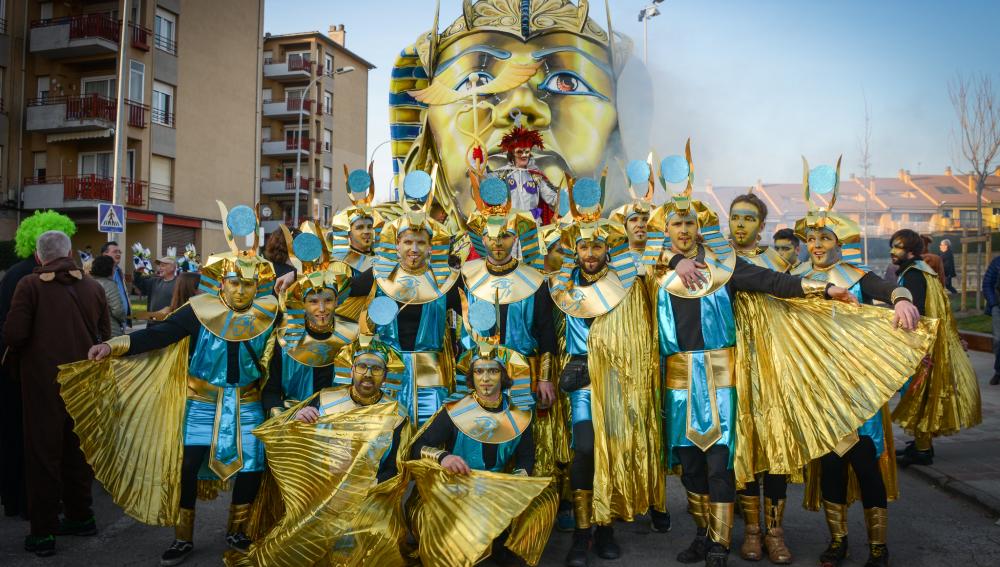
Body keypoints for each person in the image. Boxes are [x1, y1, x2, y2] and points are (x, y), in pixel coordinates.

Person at [71, 203, 278, 566]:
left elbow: (278, 362)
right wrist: (113, 345)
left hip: (248, 402)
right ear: (222, 281)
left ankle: (238, 530)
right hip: (200, 401)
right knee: (187, 468)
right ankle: (183, 538)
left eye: (249, 283)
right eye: (235, 282)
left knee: (252, 468)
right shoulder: (198, 310)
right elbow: (161, 336)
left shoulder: (268, 314)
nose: (242, 290)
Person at [791, 159, 923, 567]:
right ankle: (838, 542)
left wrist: (901, 298)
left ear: (838, 241)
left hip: (858, 390)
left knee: (866, 468)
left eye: (824, 237)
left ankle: (878, 548)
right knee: (831, 467)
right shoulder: (795, 278)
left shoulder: (856, 275)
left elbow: (888, 287)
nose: (817, 244)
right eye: (811, 238)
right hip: (819, 390)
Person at [233, 306, 409, 567]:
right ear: (350, 370)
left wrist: (366, 488)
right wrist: (297, 419)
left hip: (370, 495)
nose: (368, 374)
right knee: (292, 544)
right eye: (361, 366)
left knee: (381, 537)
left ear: (386, 376)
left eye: (376, 368)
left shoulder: (397, 415)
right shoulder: (326, 399)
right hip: (323, 491)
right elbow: (300, 444)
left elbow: (395, 466)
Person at [550, 175, 663, 567]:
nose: (591, 252)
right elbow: (553, 336)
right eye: (584, 245)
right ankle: (582, 534)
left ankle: (606, 529)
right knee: (583, 450)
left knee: (611, 452)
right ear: (576, 250)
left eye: (598, 244)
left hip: (617, 382)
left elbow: (641, 333)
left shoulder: (626, 285)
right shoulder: (561, 288)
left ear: (607, 248)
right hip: (581, 382)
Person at [408, 309, 555, 567]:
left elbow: (526, 457)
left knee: (546, 499)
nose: (485, 379)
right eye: (479, 372)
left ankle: (507, 546)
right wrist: (444, 457)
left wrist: (517, 483)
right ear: (471, 377)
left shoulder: (519, 415)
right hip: (456, 489)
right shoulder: (454, 411)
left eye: (492, 371)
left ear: (504, 376)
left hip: (495, 490)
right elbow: (416, 447)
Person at [2, 230, 110, 557]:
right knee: (77, 451)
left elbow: (14, 334)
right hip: (84, 383)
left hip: (42, 383)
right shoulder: (92, 287)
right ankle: (81, 516)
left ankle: (43, 532)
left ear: (39, 257)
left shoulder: (30, 286)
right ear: (70, 253)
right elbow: (105, 334)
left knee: (42, 455)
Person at [348, 171, 463, 427]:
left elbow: (471, 314)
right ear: (396, 244)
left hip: (433, 375)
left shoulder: (446, 280)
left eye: (420, 242)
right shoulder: (379, 275)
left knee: (430, 437)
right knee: (390, 440)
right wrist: (291, 278)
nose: (413, 249)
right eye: (408, 241)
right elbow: (342, 292)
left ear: (431, 247)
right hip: (388, 375)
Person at [724, 191, 795, 563]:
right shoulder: (718, 263)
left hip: (774, 369)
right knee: (746, 451)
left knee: (775, 451)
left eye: (749, 218)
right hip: (734, 369)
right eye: (735, 216)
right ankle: (752, 532)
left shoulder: (778, 264)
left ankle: (776, 533)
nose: (740, 224)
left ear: (762, 226)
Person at [0, 210, 76, 518]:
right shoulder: (32, 280)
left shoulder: (16, 274)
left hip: (13, 369)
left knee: (13, 434)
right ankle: (34, 502)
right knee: (37, 439)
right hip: (29, 370)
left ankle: (14, 497)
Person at [890, 229, 982, 468]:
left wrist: (919, 350)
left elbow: (919, 315)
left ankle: (922, 451)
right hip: (930, 345)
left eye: (898, 247)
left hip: (921, 349)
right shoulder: (922, 270)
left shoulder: (912, 275)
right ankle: (922, 444)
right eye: (892, 245)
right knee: (922, 396)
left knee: (918, 397)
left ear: (911, 251)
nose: (892, 251)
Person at [262, 224, 358, 416]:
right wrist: (292, 415)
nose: (321, 309)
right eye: (313, 301)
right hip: (294, 426)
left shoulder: (351, 336)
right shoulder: (284, 339)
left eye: (328, 300)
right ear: (302, 304)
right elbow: (269, 393)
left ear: (337, 301)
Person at [493, 126, 559, 223]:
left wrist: (569, 194)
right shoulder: (501, 174)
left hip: (532, 224)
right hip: (509, 225)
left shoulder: (536, 175)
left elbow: (552, 199)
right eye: (519, 152)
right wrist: (478, 166)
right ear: (512, 154)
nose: (524, 155)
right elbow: (484, 189)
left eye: (527, 152)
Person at [133, 255, 178, 326]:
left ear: (173, 268)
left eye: (163, 265)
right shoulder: (154, 281)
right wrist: (137, 273)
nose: (159, 268)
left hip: (170, 324)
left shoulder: (179, 283)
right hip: (152, 323)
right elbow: (140, 284)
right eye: (159, 266)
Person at [90, 256, 128, 337]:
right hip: (110, 331)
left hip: (92, 330)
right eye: (114, 268)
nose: (114, 270)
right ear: (108, 269)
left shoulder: (88, 283)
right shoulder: (109, 285)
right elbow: (117, 310)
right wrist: (124, 318)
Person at [101, 240, 132, 327]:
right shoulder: (99, 273)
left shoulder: (119, 271)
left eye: (119, 252)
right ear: (105, 254)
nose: (118, 254)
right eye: (115, 252)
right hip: (108, 324)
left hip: (121, 323)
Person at [985, 255, 1000, 385]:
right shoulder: (997, 262)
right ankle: (998, 371)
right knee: (998, 340)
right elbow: (987, 283)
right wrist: (993, 303)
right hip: (998, 307)